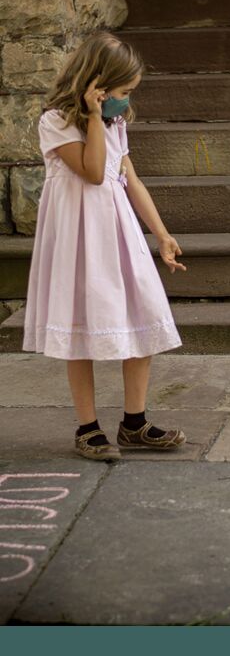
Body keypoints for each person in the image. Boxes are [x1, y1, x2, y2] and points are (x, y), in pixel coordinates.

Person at [23, 32, 187, 461]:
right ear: (96, 83)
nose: (125, 101)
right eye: (122, 92)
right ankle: (88, 427)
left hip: (118, 233)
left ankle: (135, 422)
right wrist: (94, 117)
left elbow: (127, 179)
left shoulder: (118, 124)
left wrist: (161, 232)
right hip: (78, 239)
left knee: (143, 312)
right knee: (81, 328)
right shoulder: (56, 121)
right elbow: (94, 172)